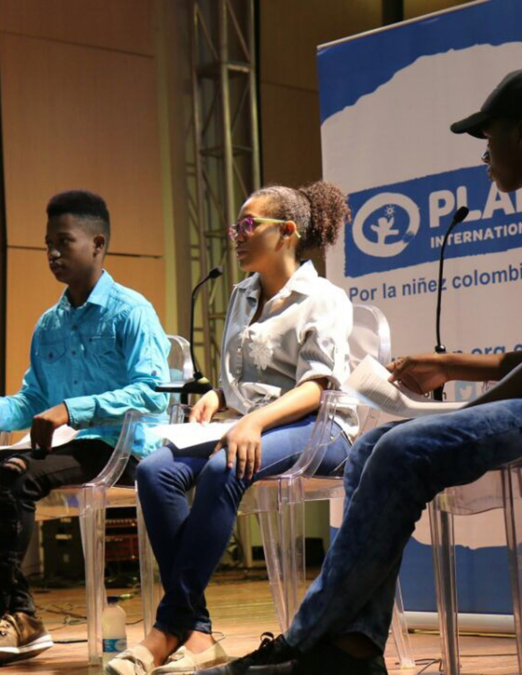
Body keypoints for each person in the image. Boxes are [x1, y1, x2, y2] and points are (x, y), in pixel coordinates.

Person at [203, 67, 522, 675]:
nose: (484, 153)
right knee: (373, 446)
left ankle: (304, 644)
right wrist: (450, 365)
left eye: (490, 135)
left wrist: (468, 410)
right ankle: (353, 650)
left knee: (404, 448)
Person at [0, 190, 171, 669]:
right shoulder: (50, 324)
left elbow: (152, 393)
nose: (52, 253)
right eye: (48, 243)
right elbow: (32, 398)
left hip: (122, 448)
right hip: (70, 449)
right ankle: (20, 615)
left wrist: (72, 409)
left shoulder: (131, 310)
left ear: (98, 244)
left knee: (15, 476)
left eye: (64, 242)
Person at [106, 183, 357, 675]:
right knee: (155, 472)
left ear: (286, 232)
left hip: (321, 428)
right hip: (251, 425)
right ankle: (197, 633)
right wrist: (219, 396)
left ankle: (167, 629)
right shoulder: (243, 294)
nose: (236, 236)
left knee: (225, 468)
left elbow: (318, 387)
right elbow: (246, 379)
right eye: (234, 227)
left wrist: (254, 421)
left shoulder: (323, 298)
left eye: (247, 226)